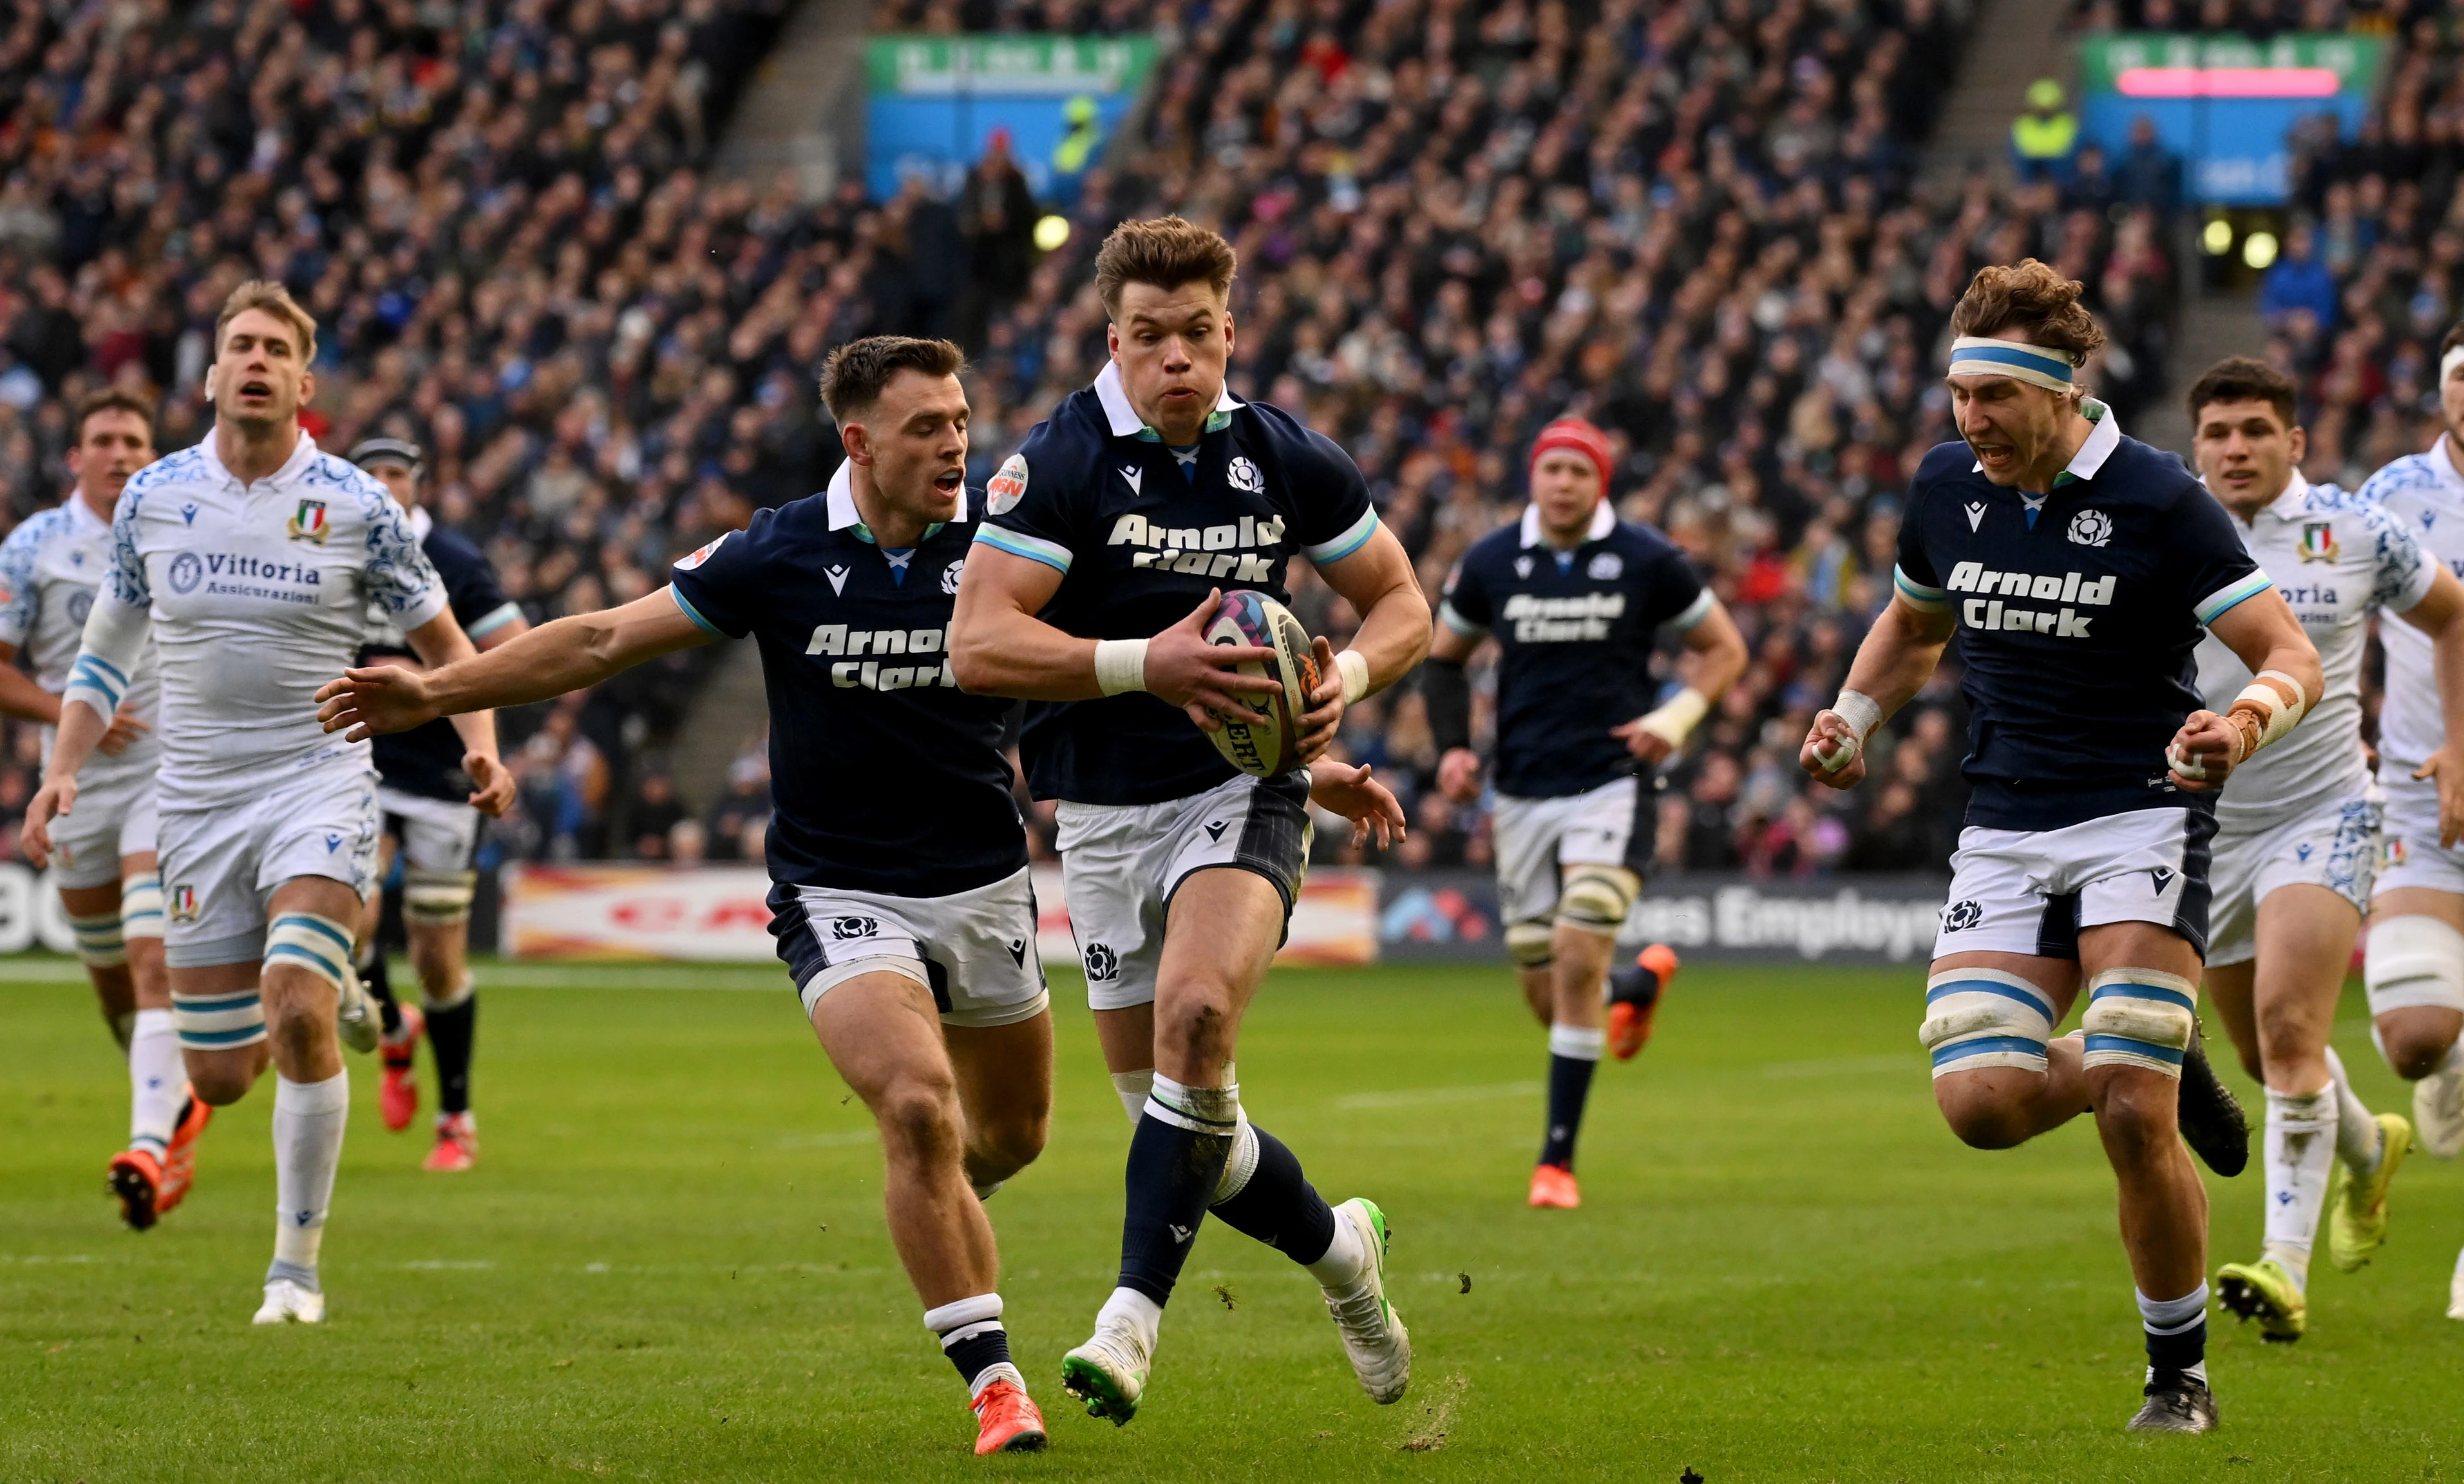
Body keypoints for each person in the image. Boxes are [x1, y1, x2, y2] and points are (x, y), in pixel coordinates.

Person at [314, 334, 1412, 1456]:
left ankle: (1003, 1212)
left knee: (1014, 1137)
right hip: (839, 890)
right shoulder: (778, 553)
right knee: (918, 1107)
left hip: (983, 888)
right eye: (927, 428)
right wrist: (436, 693)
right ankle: (995, 1385)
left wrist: (1290, 754)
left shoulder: (1006, 543)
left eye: (960, 419)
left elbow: (1114, 692)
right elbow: (600, 639)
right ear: (860, 444)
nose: (956, 444)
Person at [1797, 261, 2322, 1434]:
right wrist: (1854, 718)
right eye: (1957, 394)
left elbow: (2293, 655)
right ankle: (2151, 1049)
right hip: (2004, 824)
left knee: (2132, 1115)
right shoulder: (1946, 487)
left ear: (2060, 392)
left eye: (1994, 396)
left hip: (2141, 810)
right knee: (1981, 1105)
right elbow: (1913, 620)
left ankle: (2176, 1377)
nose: (1969, 419)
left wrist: (2238, 721)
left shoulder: (2159, 498)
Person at [951, 216, 1432, 1424]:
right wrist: (1141, 665)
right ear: (1113, 339)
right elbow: (979, 640)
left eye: (1199, 336)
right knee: (1190, 1134)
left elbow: (1401, 603)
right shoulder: (1056, 461)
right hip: (1104, 818)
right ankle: (1345, 1258)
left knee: (1200, 1015)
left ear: (1231, 335)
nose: (1178, 360)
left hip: (1245, 791)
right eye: (1151, 338)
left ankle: (1129, 1323)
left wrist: (1347, 688)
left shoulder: (1279, 456)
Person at [21, 281, 511, 1326]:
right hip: (193, 803)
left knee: (292, 1001)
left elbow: (447, 646)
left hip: (315, 781)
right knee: (226, 1072)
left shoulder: (354, 503)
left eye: (272, 349)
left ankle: (294, 1269)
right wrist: (59, 769)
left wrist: (480, 745)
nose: (252, 361)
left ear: (302, 381)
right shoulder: (156, 496)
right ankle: (340, 994)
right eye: (236, 344)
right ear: (210, 375)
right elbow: (104, 657)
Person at [2186, 357, 2464, 1341]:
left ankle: (2282, 1269)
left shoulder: (2354, 529)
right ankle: (2365, 1145)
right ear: (2195, 446)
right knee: (2266, 1057)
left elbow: (2450, 615)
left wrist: (2457, 748)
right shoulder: (2170, 528)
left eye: (2255, 430)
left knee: (2291, 1031)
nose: (2235, 448)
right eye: (2217, 432)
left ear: (2294, 441)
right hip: (2209, 826)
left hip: (2328, 810)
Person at [1425, 415, 1748, 1208]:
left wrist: (1671, 722)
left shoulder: (1647, 559)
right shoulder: (1492, 560)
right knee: (1550, 996)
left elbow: (1725, 649)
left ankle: (1555, 1164)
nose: (1563, 482)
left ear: (1599, 480)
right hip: (1522, 794)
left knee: (1575, 954)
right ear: (1532, 477)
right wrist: (1453, 749)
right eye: (1551, 469)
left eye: (1578, 470)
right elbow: (1444, 660)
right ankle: (1634, 986)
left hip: (1613, 782)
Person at [0, 388, 209, 1230]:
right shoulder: (33, 548)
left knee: (153, 959)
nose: (120, 452)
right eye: (104, 439)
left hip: (169, 775)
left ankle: (149, 1148)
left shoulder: (183, 524)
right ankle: (167, 1109)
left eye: (134, 439)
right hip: (80, 777)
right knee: (117, 989)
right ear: (76, 455)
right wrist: (70, 718)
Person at [345, 435, 531, 1171]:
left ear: (419, 486)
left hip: (439, 777)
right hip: (353, 766)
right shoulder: (336, 550)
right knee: (349, 923)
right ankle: (393, 1032)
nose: (386, 486)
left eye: (397, 474)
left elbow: (512, 643)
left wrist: (432, 682)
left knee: (437, 959)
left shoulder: (452, 561)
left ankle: (455, 1113)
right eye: (373, 475)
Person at [2352, 322, 2464, 1323]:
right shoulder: (2390, 498)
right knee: (2415, 1039)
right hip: (2423, 803)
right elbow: (2337, 619)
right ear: (2442, 391)